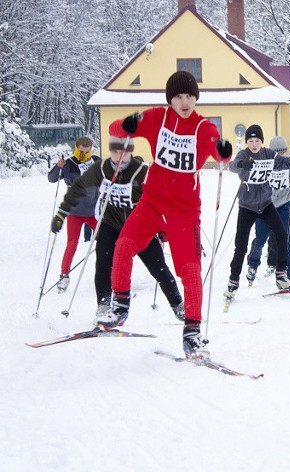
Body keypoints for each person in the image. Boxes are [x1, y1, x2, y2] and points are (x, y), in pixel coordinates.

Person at [97, 70, 232, 360]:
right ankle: (120, 306)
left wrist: (223, 150)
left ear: (196, 98)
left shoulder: (202, 127)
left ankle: (192, 332)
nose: (184, 102)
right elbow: (115, 128)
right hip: (152, 203)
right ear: (170, 99)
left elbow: (219, 150)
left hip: (183, 213)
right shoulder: (158, 118)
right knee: (123, 247)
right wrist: (127, 124)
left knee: (190, 273)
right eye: (178, 97)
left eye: (190, 96)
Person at [51, 122, 184, 321]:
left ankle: (178, 304)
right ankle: (104, 305)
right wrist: (61, 214)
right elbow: (78, 188)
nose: (118, 156)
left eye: (123, 151)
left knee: (157, 265)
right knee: (103, 263)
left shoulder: (141, 171)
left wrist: (162, 228)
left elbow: (159, 201)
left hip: (139, 225)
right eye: (114, 151)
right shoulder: (101, 168)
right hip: (111, 223)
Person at [226, 126, 290, 298]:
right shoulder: (243, 155)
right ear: (247, 142)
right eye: (251, 141)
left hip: (266, 204)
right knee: (241, 244)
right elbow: (231, 166)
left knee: (282, 235)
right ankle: (233, 280)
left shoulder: (268, 154)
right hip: (247, 206)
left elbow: (284, 163)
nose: (254, 144)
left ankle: (281, 274)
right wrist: (242, 164)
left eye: (257, 141)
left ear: (262, 142)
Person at [243, 134, 290, 287]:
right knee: (260, 239)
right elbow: (249, 178)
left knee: (289, 239)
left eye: (282, 152)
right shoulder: (263, 162)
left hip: (284, 205)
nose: (279, 155)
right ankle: (253, 265)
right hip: (265, 206)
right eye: (276, 152)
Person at [47, 135, 100, 292]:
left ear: (91, 151)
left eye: (87, 152)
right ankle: (64, 276)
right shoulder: (69, 163)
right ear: (75, 149)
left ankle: (112, 274)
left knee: (107, 240)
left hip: (93, 211)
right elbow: (51, 179)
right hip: (75, 211)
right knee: (72, 243)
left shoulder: (95, 161)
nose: (83, 155)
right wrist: (58, 167)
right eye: (80, 152)